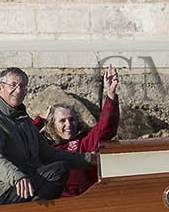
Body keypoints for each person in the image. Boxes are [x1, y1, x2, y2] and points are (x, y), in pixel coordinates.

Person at [0, 67, 91, 205]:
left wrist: (88, 159)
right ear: (0, 88)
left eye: (22, 86)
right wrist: (17, 177)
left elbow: (47, 153)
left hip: (28, 182)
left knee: (59, 168)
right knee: (58, 170)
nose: (18, 90)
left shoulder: (22, 117)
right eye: (13, 85)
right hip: (3, 192)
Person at [34, 65, 120, 197]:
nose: (68, 124)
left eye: (72, 120)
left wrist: (110, 95)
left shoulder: (84, 141)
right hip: (55, 201)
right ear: (52, 124)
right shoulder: (44, 145)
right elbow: (20, 138)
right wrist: (40, 120)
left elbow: (105, 128)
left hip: (84, 199)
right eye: (62, 121)